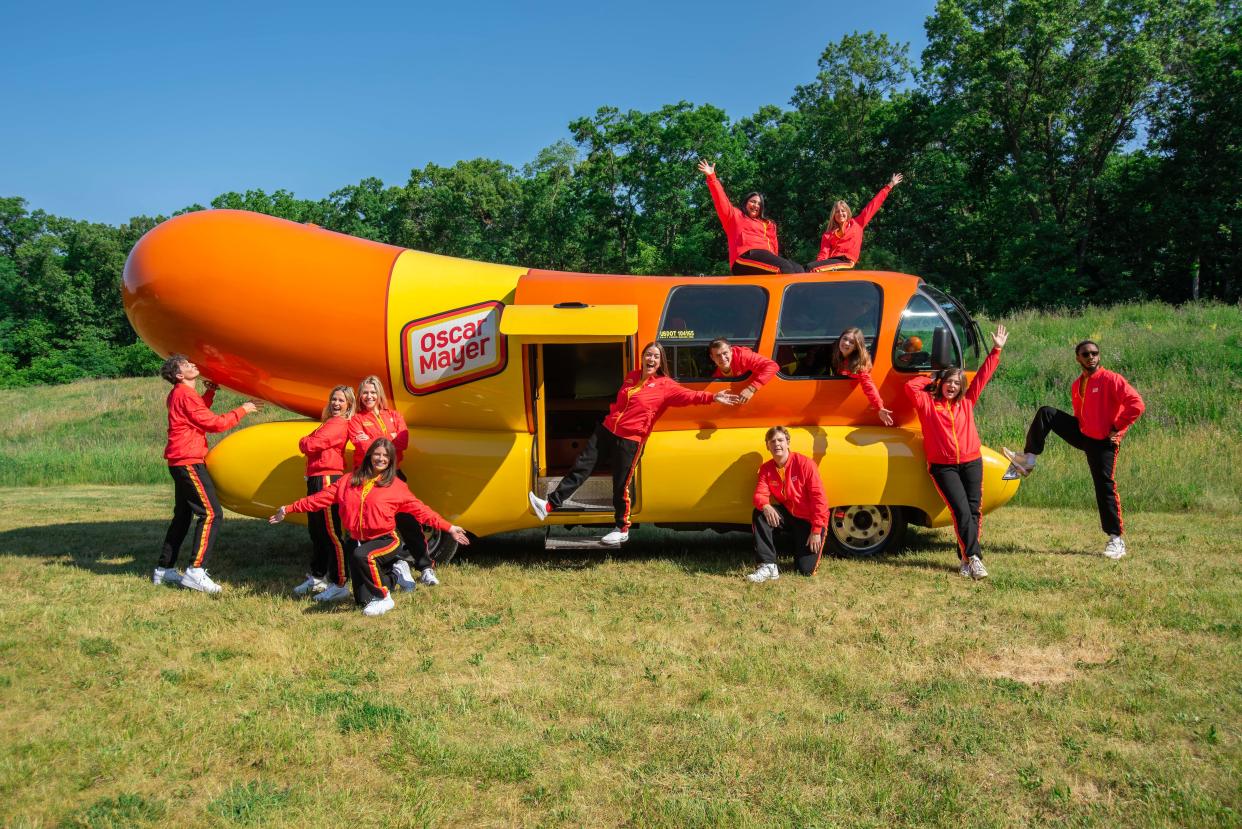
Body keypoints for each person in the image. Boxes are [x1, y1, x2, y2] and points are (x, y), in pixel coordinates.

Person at [528, 342, 738, 545]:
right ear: (642, 357)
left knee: (621, 485)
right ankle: (548, 505)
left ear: (660, 361)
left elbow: (691, 396)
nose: (651, 359)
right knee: (581, 467)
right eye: (648, 355)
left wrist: (713, 397)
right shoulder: (632, 377)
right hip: (607, 430)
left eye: (656, 356)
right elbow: (621, 402)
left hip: (631, 440)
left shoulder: (665, 386)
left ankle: (621, 529)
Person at [269, 440, 470, 617]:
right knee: (362, 600)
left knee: (362, 556)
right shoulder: (348, 481)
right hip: (358, 539)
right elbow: (319, 499)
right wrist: (288, 508)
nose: (381, 459)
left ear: (391, 461)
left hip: (385, 540)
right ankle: (395, 573)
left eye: (385, 456)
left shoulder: (397, 486)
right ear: (369, 456)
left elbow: (422, 511)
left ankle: (384, 598)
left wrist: (449, 527)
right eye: (377, 454)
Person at [1003, 340, 1145, 560]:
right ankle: (1028, 460)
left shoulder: (1111, 379)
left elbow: (1136, 404)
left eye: (1095, 353)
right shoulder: (1077, 384)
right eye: (1086, 354)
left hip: (1104, 442)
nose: (1091, 357)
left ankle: (1116, 540)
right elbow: (1081, 415)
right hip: (1084, 434)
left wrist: (1116, 427)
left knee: (1104, 486)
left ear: (1099, 355)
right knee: (1047, 413)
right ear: (1078, 358)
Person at [903, 325, 1008, 579]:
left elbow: (983, 376)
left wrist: (996, 350)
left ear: (962, 387)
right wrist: (934, 376)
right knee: (960, 510)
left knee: (973, 511)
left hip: (972, 461)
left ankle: (964, 558)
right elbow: (911, 387)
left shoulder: (966, 402)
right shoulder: (928, 405)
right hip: (943, 466)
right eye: (948, 382)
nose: (952, 386)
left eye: (956, 383)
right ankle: (974, 557)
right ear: (942, 384)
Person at [153, 354, 259, 593]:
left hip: (179, 459)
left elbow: (196, 415)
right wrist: (243, 409)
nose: (193, 365)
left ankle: (164, 569)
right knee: (211, 513)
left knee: (182, 516)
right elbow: (214, 424)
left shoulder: (180, 394)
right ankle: (195, 570)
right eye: (187, 365)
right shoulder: (184, 394)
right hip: (188, 460)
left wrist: (210, 393)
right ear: (180, 375)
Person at [348, 375, 439, 589]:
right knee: (372, 528)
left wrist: (378, 441)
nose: (368, 396)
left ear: (379, 394)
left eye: (372, 392)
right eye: (364, 392)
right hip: (368, 480)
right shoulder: (356, 420)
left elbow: (403, 441)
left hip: (394, 476)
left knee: (409, 522)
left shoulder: (394, 415)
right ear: (360, 396)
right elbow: (363, 449)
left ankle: (426, 568)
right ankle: (391, 568)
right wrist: (390, 439)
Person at [292, 385, 356, 602]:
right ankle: (318, 576)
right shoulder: (328, 423)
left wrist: (305, 442)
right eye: (334, 400)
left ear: (348, 405)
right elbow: (309, 444)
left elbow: (310, 444)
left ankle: (340, 582)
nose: (336, 404)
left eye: (341, 400)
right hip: (316, 477)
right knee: (317, 531)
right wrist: (306, 443)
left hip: (328, 478)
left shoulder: (339, 424)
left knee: (331, 532)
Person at [748, 426, 829, 582]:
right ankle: (768, 566)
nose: (777, 444)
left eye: (780, 440)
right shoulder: (766, 468)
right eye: (772, 441)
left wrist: (817, 530)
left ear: (788, 443)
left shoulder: (805, 464)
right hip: (790, 515)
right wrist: (765, 505)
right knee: (759, 513)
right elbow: (759, 495)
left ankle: (799, 546)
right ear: (767, 446)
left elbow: (820, 500)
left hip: (810, 521)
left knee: (805, 570)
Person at [698, 159, 804, 275]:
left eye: (759, 204)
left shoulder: (767, 224)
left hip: (765, 257)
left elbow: (774, 247)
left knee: (798, 269)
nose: (756, 205)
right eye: (753, 202)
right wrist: (712, 177)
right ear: (745, 203)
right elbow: (721, 200)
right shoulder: (735, 216)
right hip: (744, 257)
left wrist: (775, 260)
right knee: (784, 267)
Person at [807, 174, 903, 272]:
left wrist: (890, 185)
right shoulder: (828, 235)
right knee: (804, 268)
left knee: (810, 268)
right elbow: (823, 255)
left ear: (847, 212)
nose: (840, 213)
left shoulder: (857, 224)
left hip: (846, 261)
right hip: (831, 264)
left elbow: (873, 205)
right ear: (833, 215)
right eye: (837, 211)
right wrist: (819, 267)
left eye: (843, 211)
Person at [831, 327, 894, 425]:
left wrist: (879, 407)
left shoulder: (859, 364)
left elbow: (868, 386)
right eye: (845, 338)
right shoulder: (837, 352)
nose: (846, 343)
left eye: (852, 342)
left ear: (856, 347)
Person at [708, 338, 779, 403]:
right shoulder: (716, 376)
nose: (723, 358)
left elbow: (772, 366)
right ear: (712, 357)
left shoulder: (743, 356)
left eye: (725, 353)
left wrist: (751, 389)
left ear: (731, 351)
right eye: (718, 355)